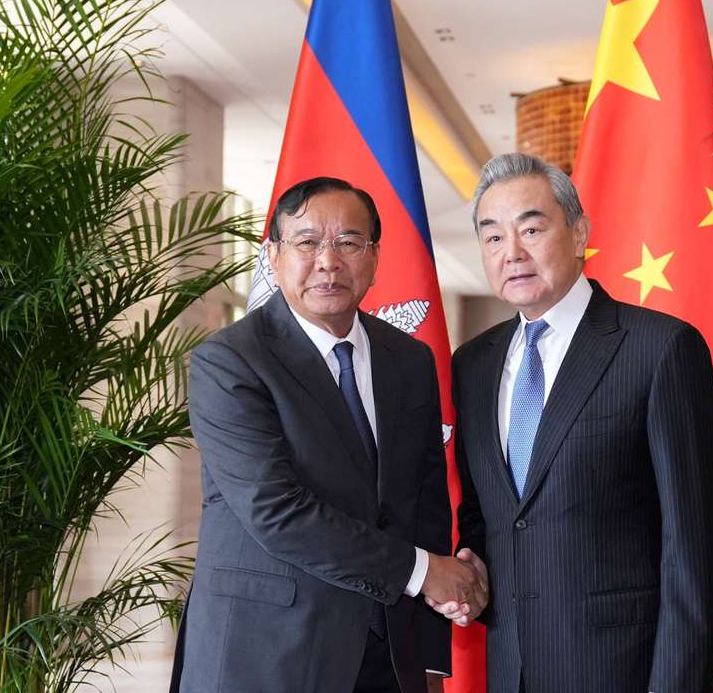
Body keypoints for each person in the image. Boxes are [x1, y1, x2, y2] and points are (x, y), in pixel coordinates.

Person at [170, 177, 486, 693]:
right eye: (307, 241)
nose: (328, 261)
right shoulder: (230, 361)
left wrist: (428, 661)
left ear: (375, 256)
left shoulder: (408, 361)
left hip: (387, 661)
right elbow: (277, 511)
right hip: (267, 655)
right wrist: (423, 572)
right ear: (272, 255)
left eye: (348, 242)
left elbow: (424, 507)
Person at [437, 153, 713, 693]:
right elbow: (487, 514)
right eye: (493, 237)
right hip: (513, 668)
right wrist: (471, 573)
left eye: (531, 228)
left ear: (578, 234)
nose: (513, 252)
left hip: (623, 670)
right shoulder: (472, 364)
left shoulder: (660, 348)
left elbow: (694, 548)